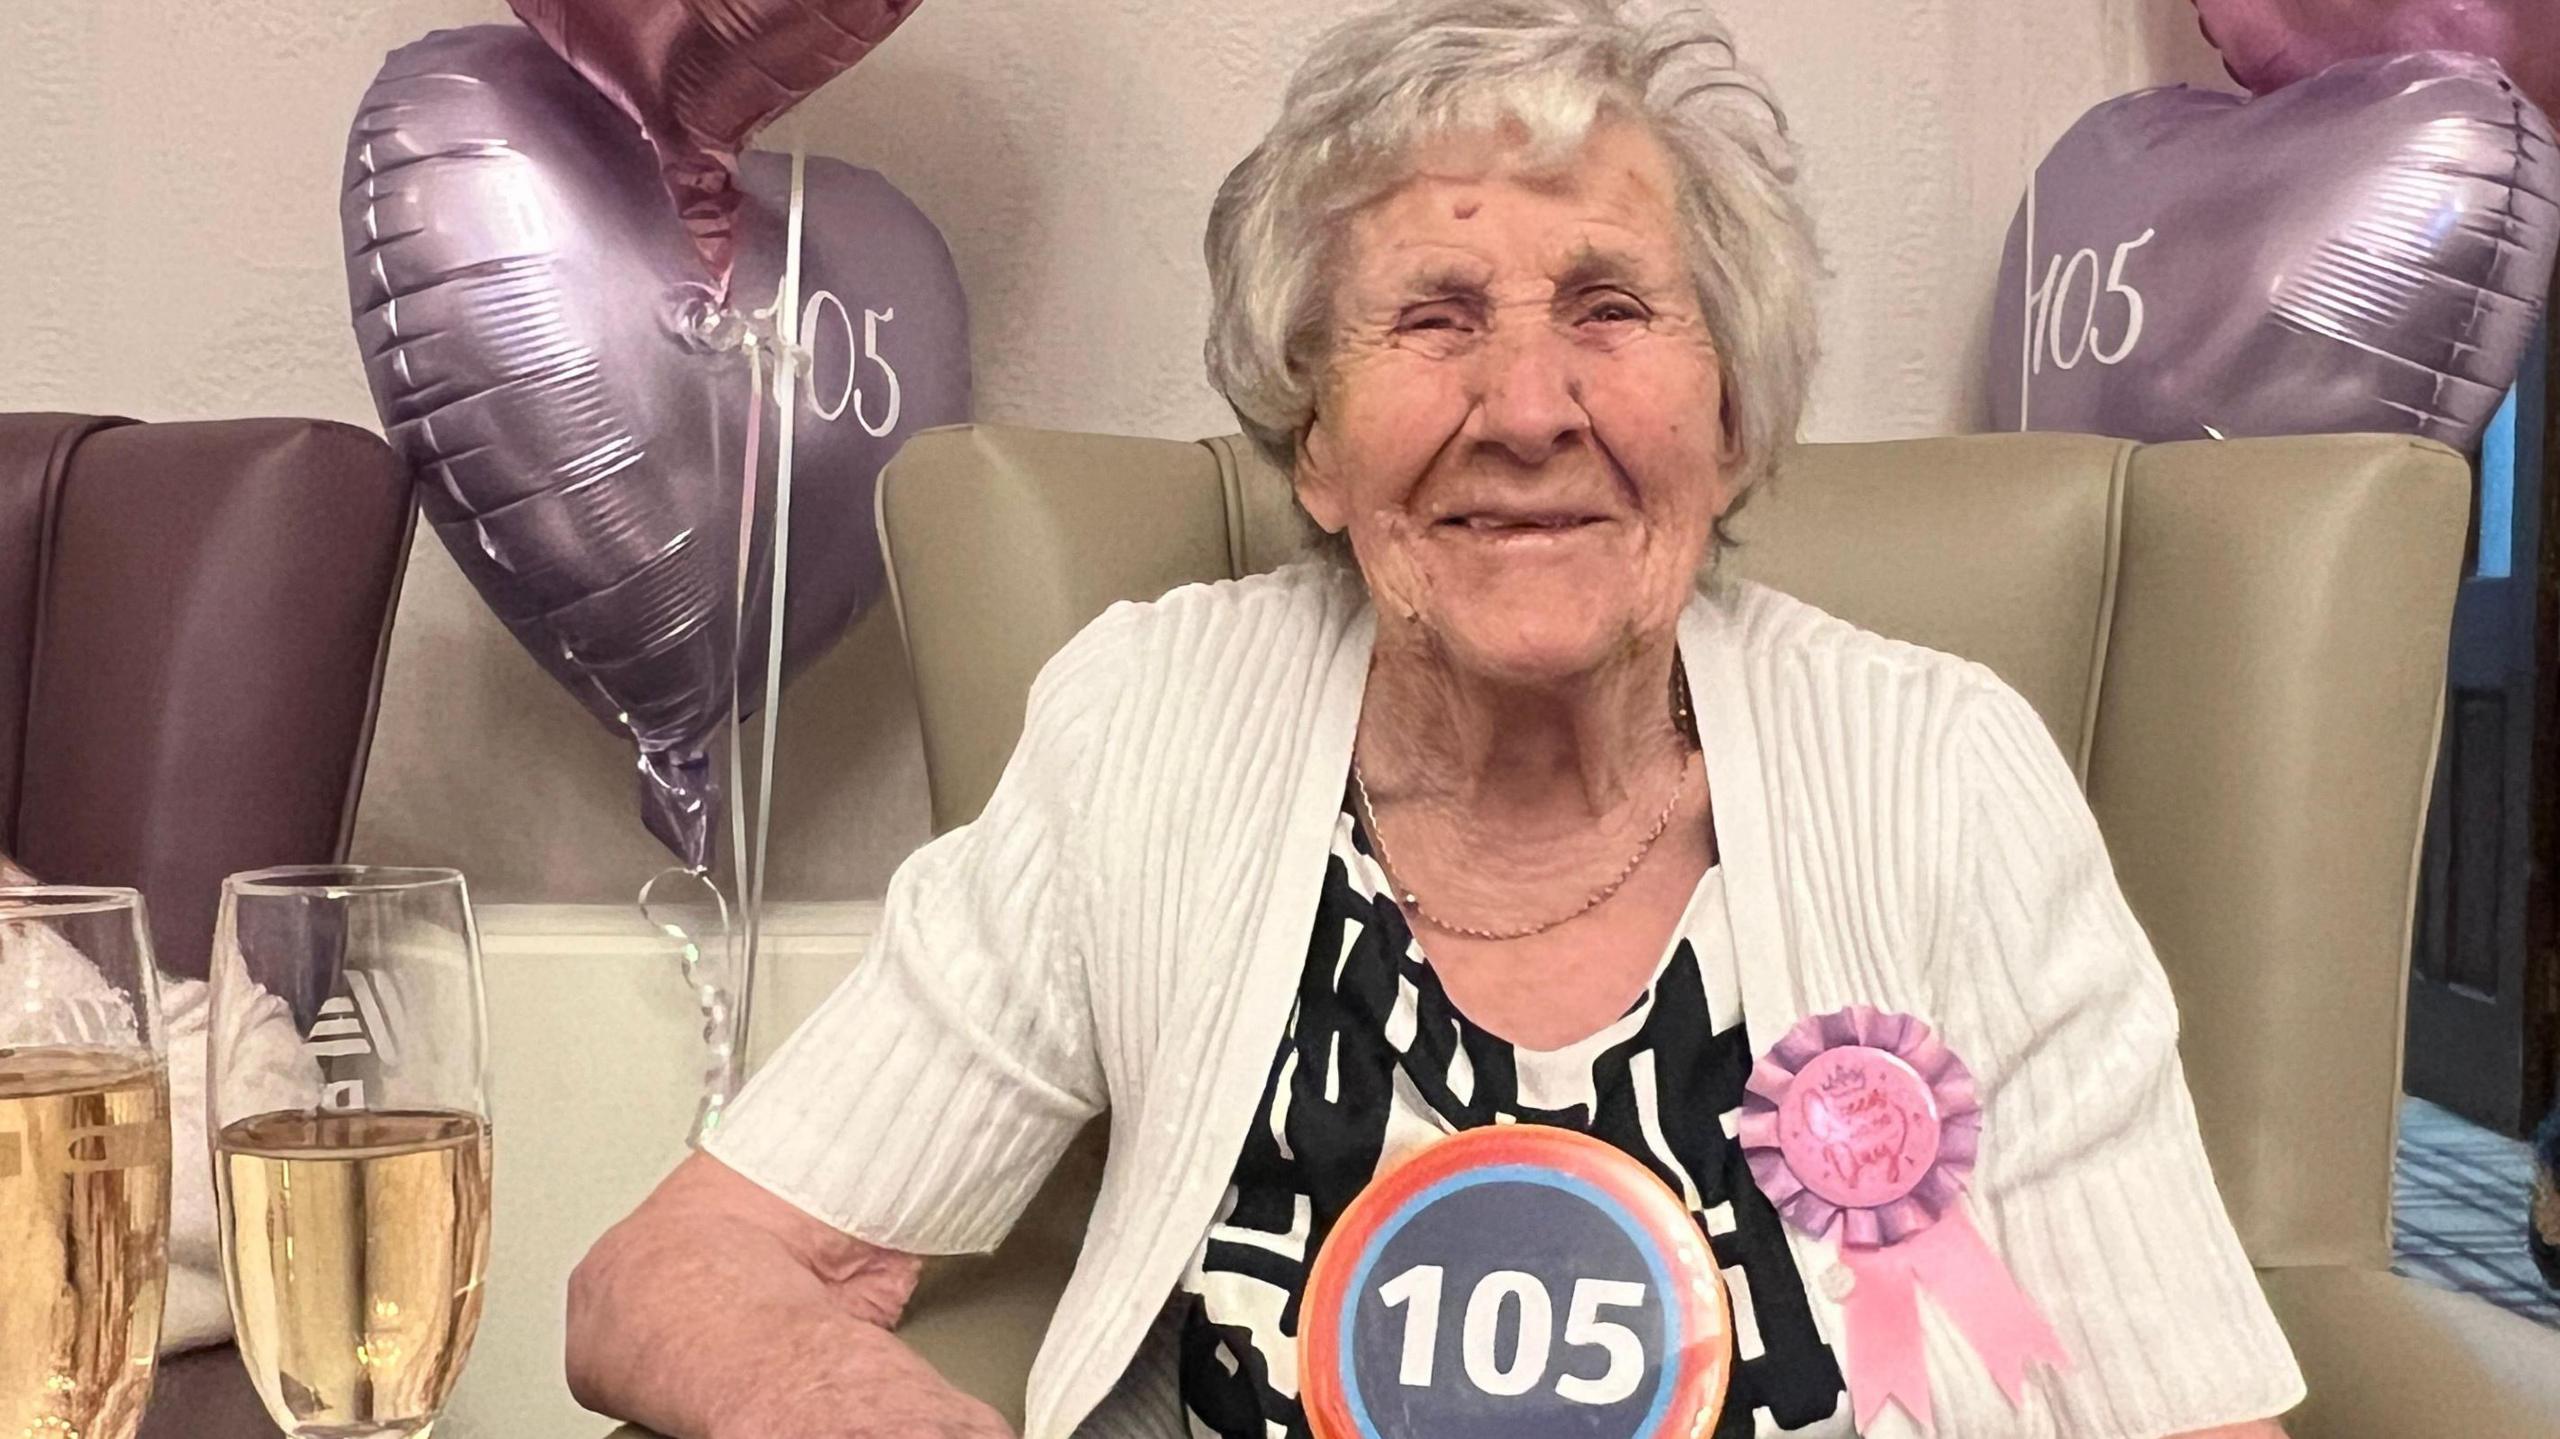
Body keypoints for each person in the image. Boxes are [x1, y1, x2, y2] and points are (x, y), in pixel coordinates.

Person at [565, 2, 2303, 1435]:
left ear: (1734, 415)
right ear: (1314, 441)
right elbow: (664, 1277)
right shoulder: (1153, 724)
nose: (1528, 406)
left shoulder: (1945, 771)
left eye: (1612, 309)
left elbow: (2193, 1405)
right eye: (1433, 318)